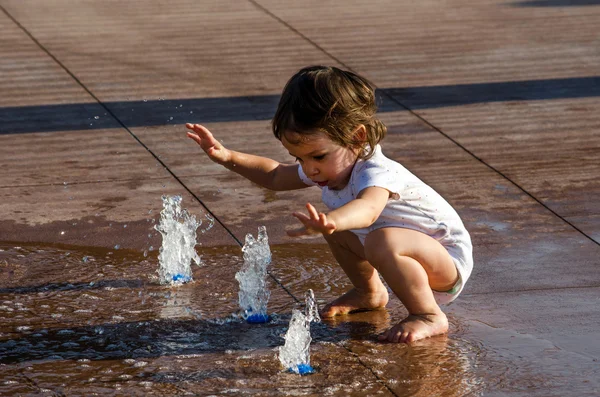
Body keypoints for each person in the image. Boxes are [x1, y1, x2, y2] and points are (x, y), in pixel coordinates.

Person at [186, 65, 473, 343]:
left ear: (357, 137)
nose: (310, 169)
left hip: (445, 262)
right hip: (408, 251)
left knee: (376, 239)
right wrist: (227, 157)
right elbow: (274, 175)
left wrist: (334, 220)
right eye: (300, 159)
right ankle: (369, 292)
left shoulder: (377, 171)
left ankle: (427, 315)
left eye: (318, 157)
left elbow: (368, 209)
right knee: (345, 232)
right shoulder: (331, 167)